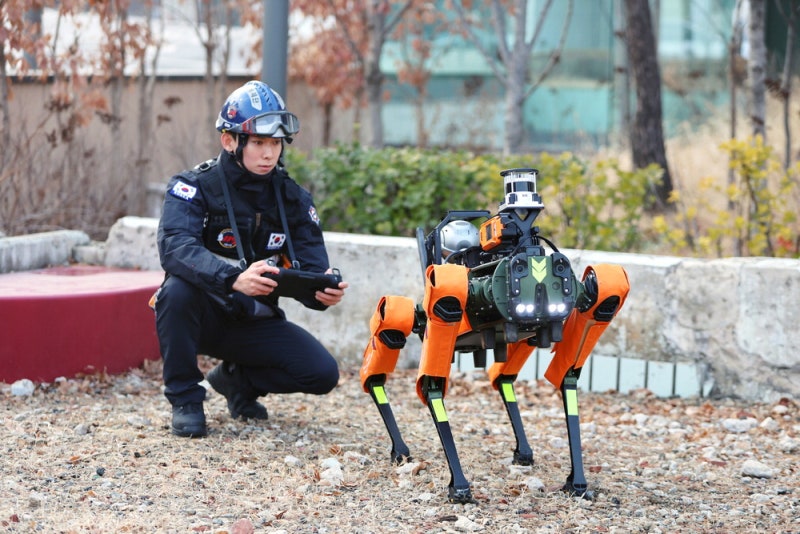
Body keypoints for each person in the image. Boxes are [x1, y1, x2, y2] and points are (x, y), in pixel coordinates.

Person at [153, 80, 348, 438]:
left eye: (274, 144)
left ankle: (236, 382)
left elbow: (311, 266)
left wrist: (321, 291)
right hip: (202, 317)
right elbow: (175, 248)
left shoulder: (294, 199)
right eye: (258, 142)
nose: (268, 154)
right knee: (175, 292)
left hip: (254, 320)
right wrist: (231, 278)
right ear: (230, 141)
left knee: (322, 374)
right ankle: (185, 400)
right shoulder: (192, 187)